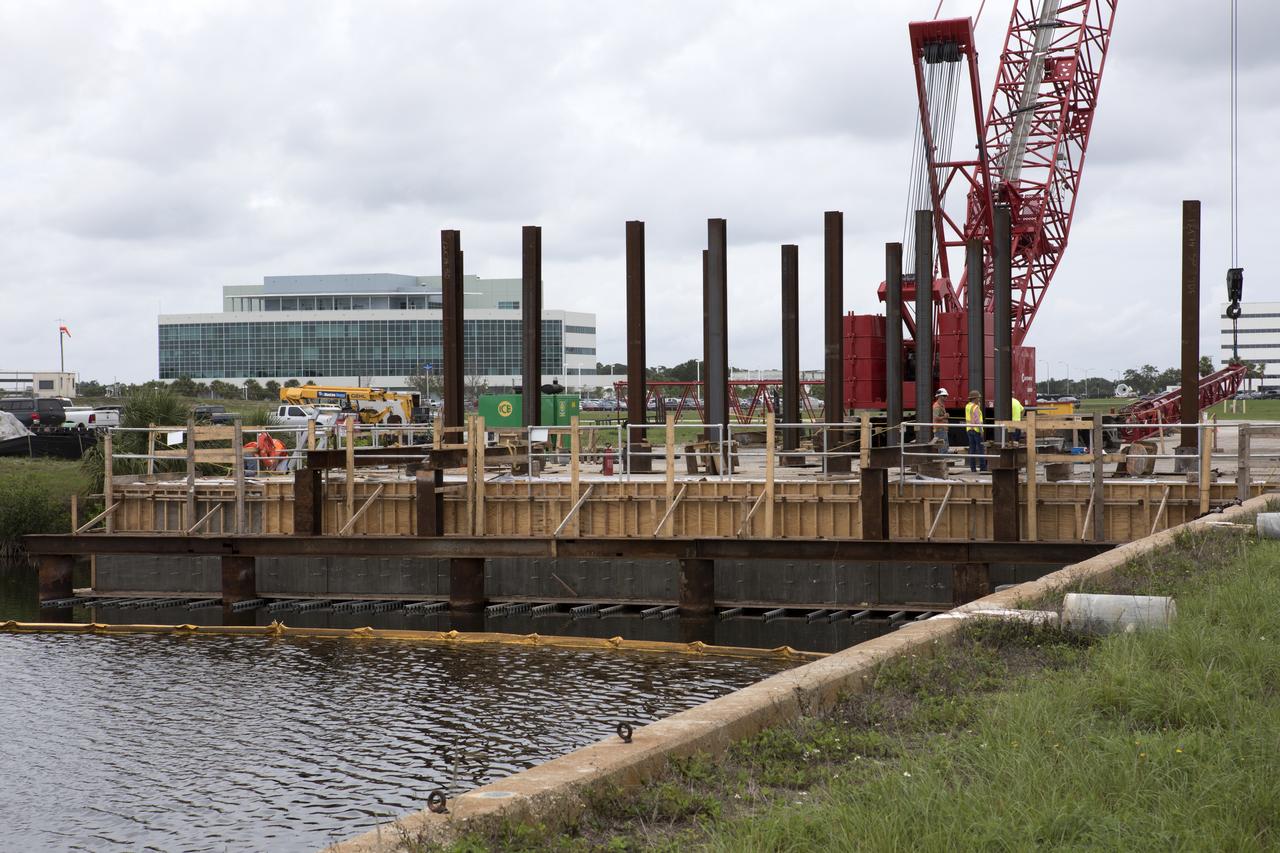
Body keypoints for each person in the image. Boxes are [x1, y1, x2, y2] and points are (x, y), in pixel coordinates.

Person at [965, 390, 987, 472]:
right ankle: (982, 467)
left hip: (969, 429)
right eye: (978, 398)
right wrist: (981, 430)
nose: (979, 399)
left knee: (972, 449)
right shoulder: (975, 407)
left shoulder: (967, 406)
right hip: (976, 430)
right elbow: (977, 420)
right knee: (981, 449)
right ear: (975, 398)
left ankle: (973, 468)